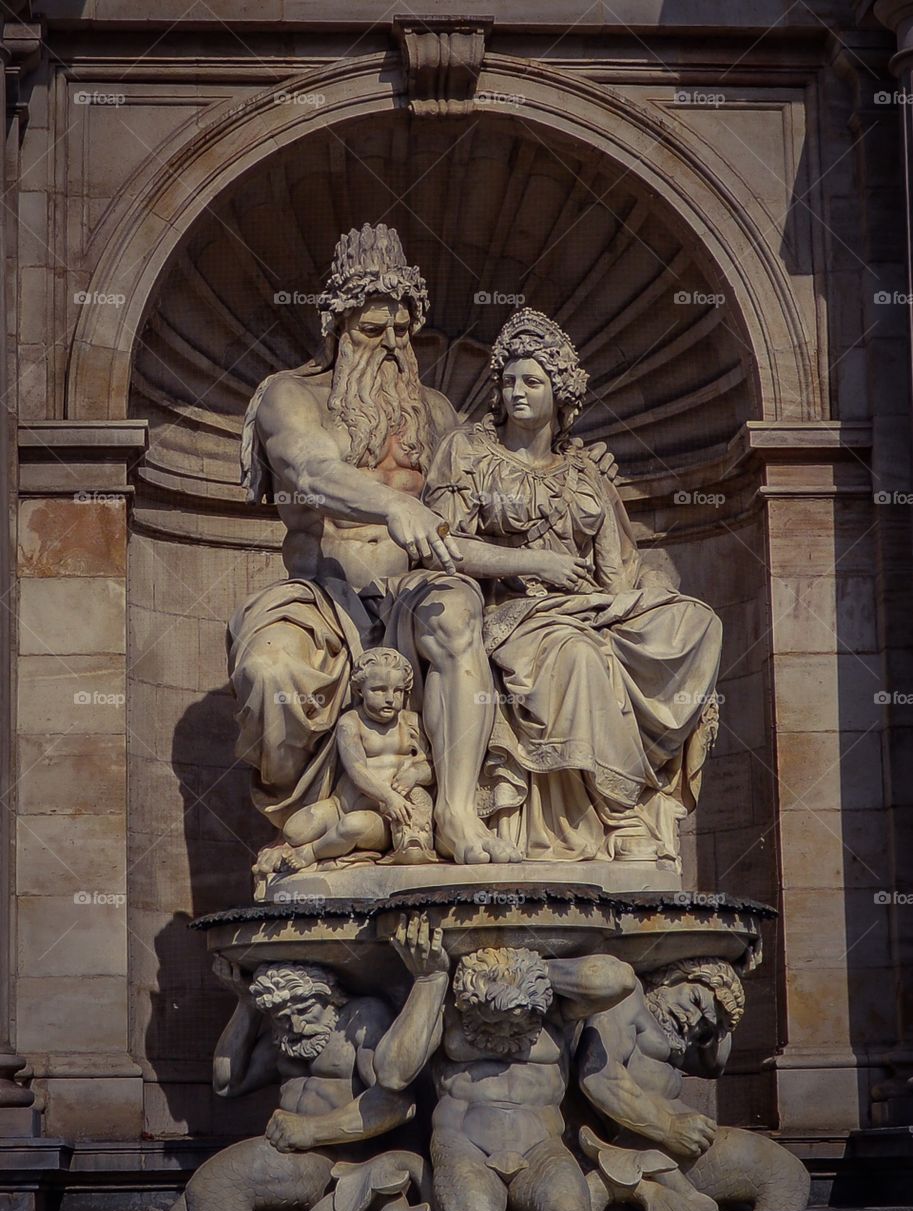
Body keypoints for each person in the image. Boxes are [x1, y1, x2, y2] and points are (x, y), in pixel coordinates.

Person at [230, 226, 617, 868]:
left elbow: (501, 480)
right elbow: (310, 471)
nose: (387, 347)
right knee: (271, 671)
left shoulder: (435, 414)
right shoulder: (288, 396)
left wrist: (577, 464)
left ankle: (456, 815)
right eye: (370, 330)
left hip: (412, 595)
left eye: (401, 332)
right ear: (335, 325)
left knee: (457, 611)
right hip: (321, 596)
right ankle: (298, 812)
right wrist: (394, 503)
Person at [413, 308, 723, 862]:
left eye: (532, 381)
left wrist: (637, 595)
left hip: (585, 609)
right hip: (509, 614)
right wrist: (534, 562)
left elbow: (620, 567)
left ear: (560, 393)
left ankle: (638, 791)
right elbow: (445, 544)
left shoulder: (586, 475)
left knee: (696, 621)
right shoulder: (467, 453)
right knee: (580, 655)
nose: (517, 393)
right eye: (508, 381)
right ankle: (620, 813)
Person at [169, 915, 449, 1211]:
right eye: (281, 1016)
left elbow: (397, 1105)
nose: (297, 1024)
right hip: (292, 1155)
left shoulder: (360, 1019)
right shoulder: (287, 1034)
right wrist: (245, 1005)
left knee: (216, 1184)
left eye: (305, 1011)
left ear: (330, 995)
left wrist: (311, 1130)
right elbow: (226, 1083)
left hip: (338, 1156)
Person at [577, 958, 810, 1211]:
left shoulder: (671, 1033)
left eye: (703, 1027)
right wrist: (668, 1128)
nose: (692, 1020)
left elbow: (715, 1065)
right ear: (674, 977)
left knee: (782, 1181)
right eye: (695, 1000)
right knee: (785, 1176)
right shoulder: (628, 997)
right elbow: (598, 1075)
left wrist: (721, 1017)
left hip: (679, 1143)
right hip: (651, 1141)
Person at [424, 945, 636, 1211]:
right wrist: (427, 979)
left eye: (515, 1023)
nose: (503, 1032)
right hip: (465, 1145)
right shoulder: (448, 1006)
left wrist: (537, 972)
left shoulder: (555, 1010)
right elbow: (394, 1074)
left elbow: (621, 980)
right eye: (491, 1023)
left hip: (542, 1150)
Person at [257, 648, 434, 877]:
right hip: (341, 805)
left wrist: (414, 775)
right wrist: (389, 795)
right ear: (359, 690)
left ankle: (311, 853)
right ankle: (323, 842)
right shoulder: (351, 722)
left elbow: (432, 766)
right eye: (379, 690)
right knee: (293, 831)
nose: (390, 698)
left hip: (384, 818)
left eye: (398, 691)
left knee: (353, 826)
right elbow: (356, 768)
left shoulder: (411, 723)